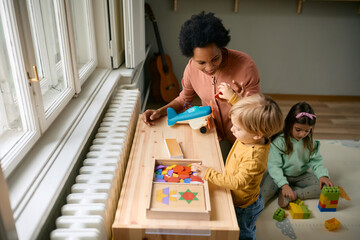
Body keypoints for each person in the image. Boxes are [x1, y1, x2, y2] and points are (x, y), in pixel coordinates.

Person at [143, 12, 260, 148]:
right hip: (213, 135)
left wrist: (237, 100)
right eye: (201, 62)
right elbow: (184, 99)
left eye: (215, 59)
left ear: (221, 47)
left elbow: (256, 115)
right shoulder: (191, 69)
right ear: (191, 57)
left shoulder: (245, 66)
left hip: (245, 139)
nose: (210, 67)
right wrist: (160, 111)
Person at [191, 93, 283, 240]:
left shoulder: (254, 159)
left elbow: (237, 182)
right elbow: (246, 116)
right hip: (243, 197)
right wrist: (233, 98)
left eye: (237, 128)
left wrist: (209, 173)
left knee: (244, 234)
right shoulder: (252, 134)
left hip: (243, 207)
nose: (232, 130)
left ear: (257, 134)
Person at [261, 102, 335, 208]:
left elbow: (316, 161)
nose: (302, 134)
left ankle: (293, 194)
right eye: (298, 130)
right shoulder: (279, 141)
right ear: (290, 124)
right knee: (265, 192)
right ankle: (255, 210)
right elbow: (274, 166)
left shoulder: (309, 142)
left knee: (324, 188)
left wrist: (322, 175)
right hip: (279, 175)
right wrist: (284, 184)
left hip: (300, 176)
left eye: (307, 131)